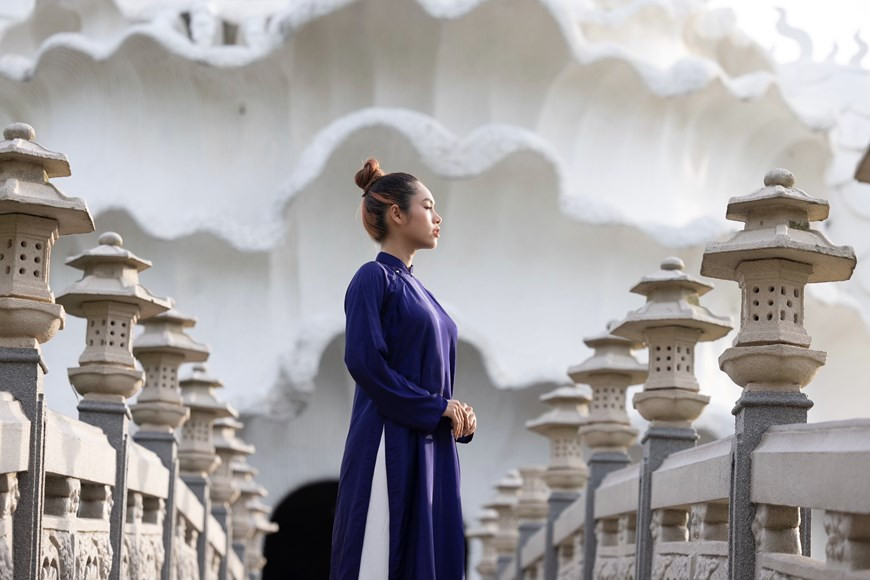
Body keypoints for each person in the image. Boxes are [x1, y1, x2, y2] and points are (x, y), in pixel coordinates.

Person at [330, 158, 477, 580]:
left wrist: (452, 410)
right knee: (383, 553)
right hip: (388, 440)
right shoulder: (373, 278)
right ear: (397, 214)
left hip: (429, 438)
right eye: (428, 206)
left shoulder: (421, 291)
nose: (437, 217)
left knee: (428, 553)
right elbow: (364, 361)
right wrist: (434, 407)